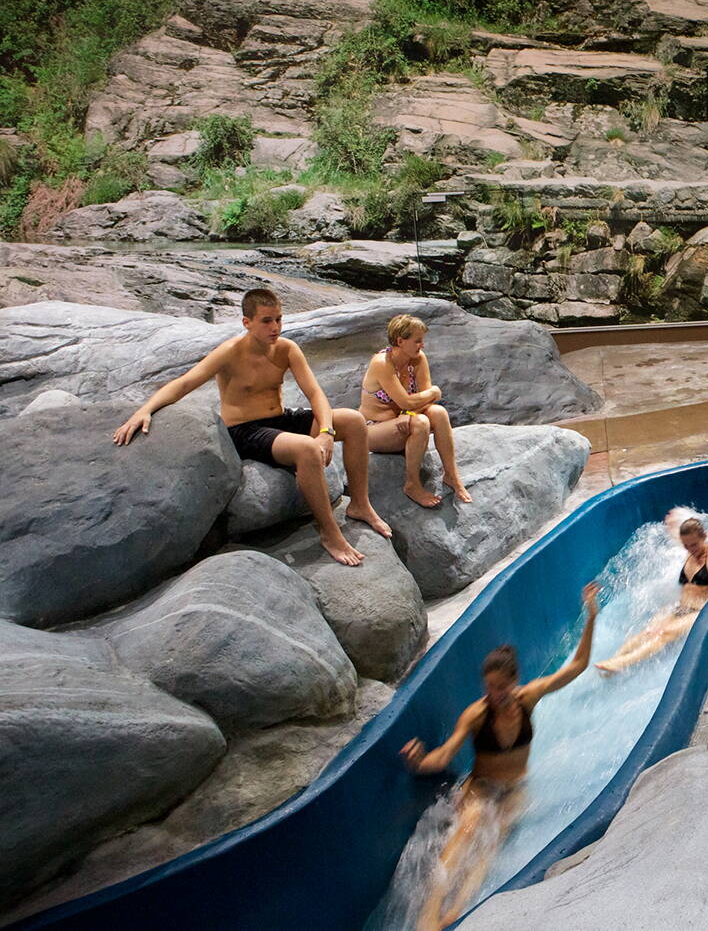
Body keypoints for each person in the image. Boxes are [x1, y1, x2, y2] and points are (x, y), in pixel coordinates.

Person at [113, 288, 389, 566]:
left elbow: (315, 393)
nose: (276, 327)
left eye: (279, 319)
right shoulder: (230, 353)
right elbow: (184, 383)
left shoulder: (286, 349)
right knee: (307, 449)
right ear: (247, 322)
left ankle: (360, 504)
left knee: (353, 421)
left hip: (281, 419)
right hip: (245, 430)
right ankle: (330, 533)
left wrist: (327, 432)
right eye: (267, 321)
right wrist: (145, 410)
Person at [399, 582, 601, 931]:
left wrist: (591, 617)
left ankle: (459, 911)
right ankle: (428, 914)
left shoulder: (529, 697)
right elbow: (445, 755)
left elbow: (578, 666)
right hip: (480, 787)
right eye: (489, 687)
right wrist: (419, 763)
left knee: (491, 847)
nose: (494, 694)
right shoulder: (476, 714)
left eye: (500, 687)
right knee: (469, 830)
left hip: (515, 788)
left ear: (514, 681)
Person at [596, 513, 708, 674]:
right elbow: (675, 541)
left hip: (700, 611)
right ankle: (614, 660)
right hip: (680, 607)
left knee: (665, 633)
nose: (690, 549)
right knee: (648, 631)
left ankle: (622, 663)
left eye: (694, 545)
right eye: (686, 546)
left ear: (704, 537)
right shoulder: (689, 551)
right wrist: (672, 525)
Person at [358, 313, 472, 508]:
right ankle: (412, 484)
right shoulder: (382, 363)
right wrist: (432, 393)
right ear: (401, 341)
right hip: (373, 430)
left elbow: (424, 401)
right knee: (421, 422)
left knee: (439, 413)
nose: (422, 345)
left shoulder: (417, 359)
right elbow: (413, 399)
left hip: (403, 421)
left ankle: (451, 475)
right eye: (417, 341)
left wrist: (408, 412)